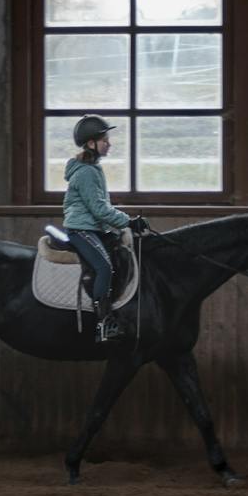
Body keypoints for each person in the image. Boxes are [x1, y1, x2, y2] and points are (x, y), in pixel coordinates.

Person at [62, 114, 149, 342]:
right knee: (103, 267)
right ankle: (103, 323)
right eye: (104, 140)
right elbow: (99, 209)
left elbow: (101, 209)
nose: (109, 144)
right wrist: (128, 221)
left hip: (94, 228)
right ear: (91, 143)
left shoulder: (93, 168)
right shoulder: (87, 172)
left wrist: (122, 225)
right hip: (81, 230)